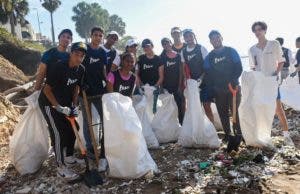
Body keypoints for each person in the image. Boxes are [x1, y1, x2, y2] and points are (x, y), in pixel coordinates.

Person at [38, 42, 86, 181]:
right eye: (76, 54)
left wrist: (74, 105)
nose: (79, 58)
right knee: (58, 132)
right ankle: (60, 167)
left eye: (82, 56)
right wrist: (59, 108)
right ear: (71, 53)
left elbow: (76, 87)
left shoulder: (81, 69)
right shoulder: (59, 67)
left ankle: (69, 157)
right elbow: (46, 90)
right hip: (48, 103)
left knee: (74, 127)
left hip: (65, 103)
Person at [248, 21, 294, 146]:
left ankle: (286, 136)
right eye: (255, 30)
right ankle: (263, 135)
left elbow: (281, 61)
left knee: (278, 109)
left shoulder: (274, 44)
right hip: (259, 84)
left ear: (265, 30)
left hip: (272, 83)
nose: (257, 32)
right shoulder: (252, 49)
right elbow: (253, 68)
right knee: (260, 108)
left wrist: (276, 75)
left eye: (260, 30)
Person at [204, 30, 243, 142]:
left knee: (235, 111)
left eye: (217, 37)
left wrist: (233, 81)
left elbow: (239, 68)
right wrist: (213, 88)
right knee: (223, 113)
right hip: (219, 90)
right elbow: (208, 74)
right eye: (213, 38)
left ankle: (238, 133)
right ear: (210, 41)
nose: (215, 40)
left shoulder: (231, 51)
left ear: (221, 38)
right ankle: (228, 134)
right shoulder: (209, 57)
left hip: (233, 88)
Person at [80, 27, 108, 172]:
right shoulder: (85, 49)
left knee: (104, 119)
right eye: (95, 35)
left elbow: (103, 70)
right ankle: (91, 149)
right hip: (85, 91)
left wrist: (106, 83)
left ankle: (104, 145)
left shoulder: (102, 52)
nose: (97, 37)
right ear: (91, 36)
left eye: (100, 35)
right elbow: (78, 67)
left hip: (98, 91)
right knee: (87, 121)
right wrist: (80, 84)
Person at [181, 29, 214, 122]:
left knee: (207, 107)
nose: (189, 38)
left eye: (190, 36)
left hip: (205, 82)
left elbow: (208, 66)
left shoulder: (201, 48)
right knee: (196, 108)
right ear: (184, 39)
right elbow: (183, 68)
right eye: (186, 37)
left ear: (194, 36)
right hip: (192, 84)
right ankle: (199, 130)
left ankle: (212, 131)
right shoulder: (183, 52)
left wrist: (201, 78)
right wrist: (185, 79)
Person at [160, 37, 184, 124]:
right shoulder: (161, 57)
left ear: (171, 43)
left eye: (168, 43)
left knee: (179, 105)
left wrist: (180, 85)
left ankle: (181, 123)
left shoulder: (178, 56)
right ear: (163, 46)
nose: (166, 45)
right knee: (168, 106)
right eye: (164, 44)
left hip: (177, 85)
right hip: (166, 86)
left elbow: (181, 71)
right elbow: (161, 73)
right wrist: (161, 87)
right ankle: (170, 125)